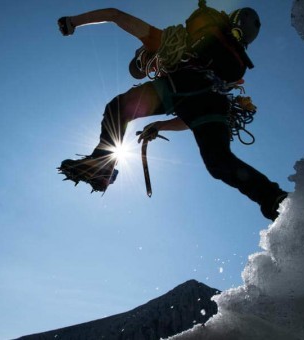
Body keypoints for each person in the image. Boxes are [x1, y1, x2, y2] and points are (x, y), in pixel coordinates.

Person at [57, 1, 287, 220]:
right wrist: (160, 126)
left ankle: (101, 166)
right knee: (219, 161)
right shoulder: (224, 60)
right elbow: (194, 115)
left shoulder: (169, 41)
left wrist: (73, 21)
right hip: (213, 101)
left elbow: (115, 15)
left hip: (180, 87)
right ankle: (275, 200)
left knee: (117, 108)